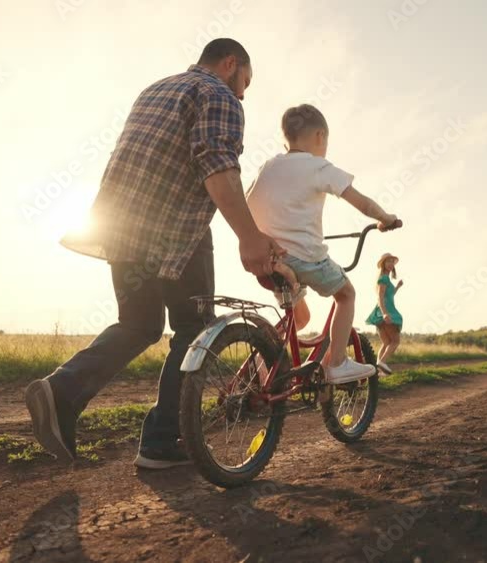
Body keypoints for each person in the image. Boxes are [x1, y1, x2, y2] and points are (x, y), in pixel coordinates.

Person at [25, 38, 285, 469]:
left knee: (139, 323)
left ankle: (61, 391)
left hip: (121, 224)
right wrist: (250, 236)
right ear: (230, 64)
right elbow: (217, 165)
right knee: (193, 330)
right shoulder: (218, 94)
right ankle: (162, 442)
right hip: (175, 230)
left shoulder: (156, 88)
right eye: (245, 83)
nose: (243, 93)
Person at [246, 103, 400, 384]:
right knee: (346, 294)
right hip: (305, 258)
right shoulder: (318, 166)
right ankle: (337, 364)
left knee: (299, 317)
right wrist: (384, 218)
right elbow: (362, 202)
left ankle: (262, 357)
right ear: (320, 136)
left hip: (268, 261)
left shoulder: (267, 167)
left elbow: (248, 202)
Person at [366, 253, 403, 374]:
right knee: (395, 341)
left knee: (386, 342)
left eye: (392, 262)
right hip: (385, 311)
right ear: (383, 264)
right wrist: (385, 313)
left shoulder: (386, 278)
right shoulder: (383, 278)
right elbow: (380, 297)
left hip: (382, 311)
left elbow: (389, 295)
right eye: (388, 261)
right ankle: (382, 362)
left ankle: (377, 370)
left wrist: (397, 287)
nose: (391, 264)